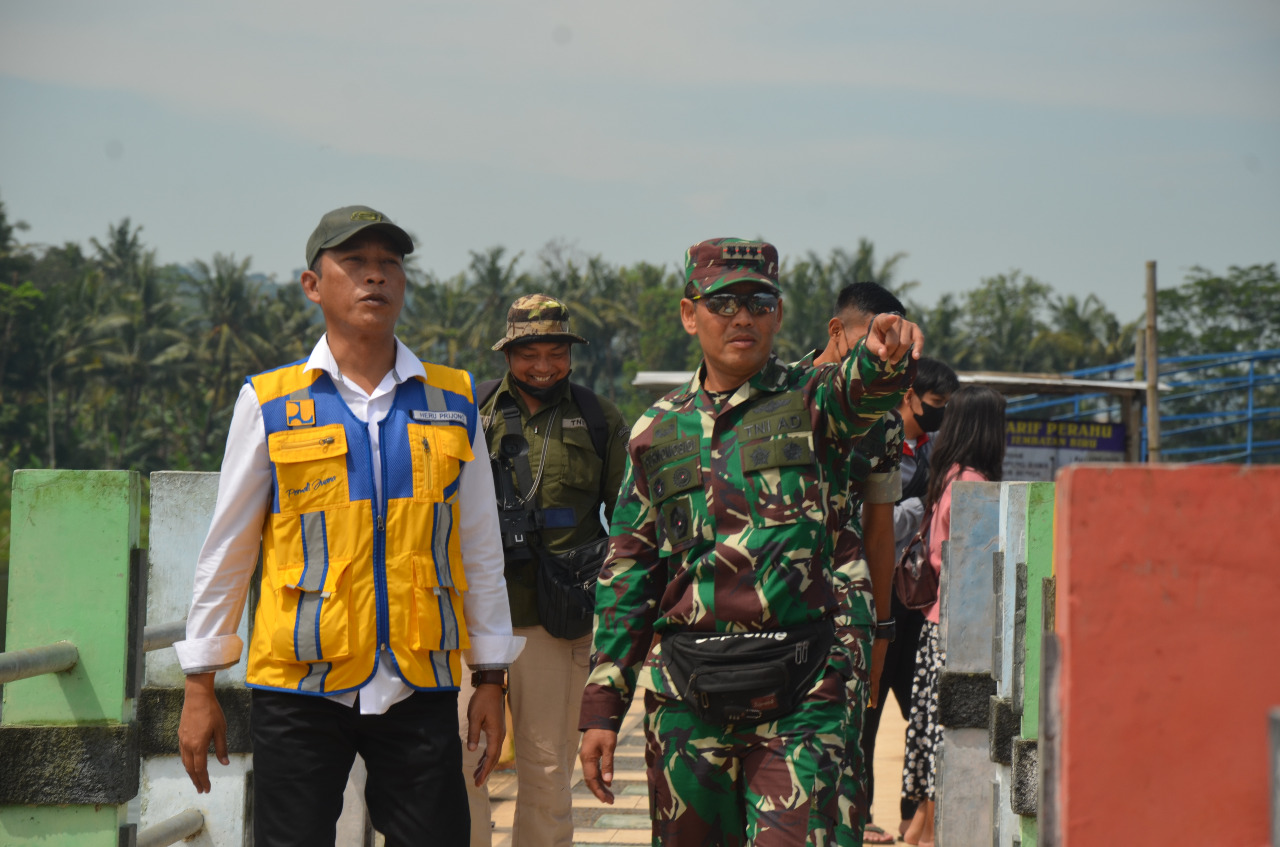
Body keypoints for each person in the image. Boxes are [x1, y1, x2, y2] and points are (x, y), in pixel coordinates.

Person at [174, 205, 524, 847]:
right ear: (313, 285)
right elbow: (229, 548)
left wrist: (491, 678)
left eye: (389, 263)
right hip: (298, 688)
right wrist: (200, 684)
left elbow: (479, 547)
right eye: (355, 262)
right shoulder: (270, 401)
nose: (375, 276)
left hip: (419, 684)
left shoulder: (452, 401)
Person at [578, 238, 923, 847]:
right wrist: (604, 705)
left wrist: (884, 356)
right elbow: (629, 568)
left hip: (804, 690)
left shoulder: (814, 400)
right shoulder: (657, 429)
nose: (743, 317)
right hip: (688, 695)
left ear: (779, 315)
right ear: (690, 314)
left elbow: (863, 388)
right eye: (723, 303)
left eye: (759, 303)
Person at [458, 294, 629, 847]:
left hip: (557, 621)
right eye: (530, 353)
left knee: (547, 772)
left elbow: (629, 525)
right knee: (461, 765)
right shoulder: (469, 411)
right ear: (508, 354)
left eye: (556, 353)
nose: (543, 366)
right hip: (471, 619)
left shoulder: (600, 419)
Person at [797, 282, 909, 846]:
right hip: (763, 611)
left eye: (893, 345)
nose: (883, 354)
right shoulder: (778, 393)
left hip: (843, 615)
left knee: (836, 766)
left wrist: (883, 629)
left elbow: (879, 530)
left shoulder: (883, 418)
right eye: (874, 339)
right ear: (837, 332)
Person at [899, 385, 1006, 847]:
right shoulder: (974, 485)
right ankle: (928, 833)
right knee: (953, 735)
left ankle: (920, 831)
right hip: (958, 629)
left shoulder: (950, 475)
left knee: (933, 730)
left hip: (935, 623)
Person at [868, 357, 959, 839]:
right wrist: (920, 507)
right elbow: (871, 520)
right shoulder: (875, 442)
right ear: (908, 396)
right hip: (874, 595)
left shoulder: (935, 450)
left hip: (914, 602)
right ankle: (860, 814)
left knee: (920, 710)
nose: (939, 413)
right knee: (868, 710)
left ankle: (911, 812)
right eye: (935, 403)